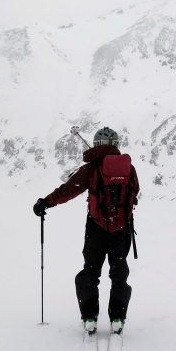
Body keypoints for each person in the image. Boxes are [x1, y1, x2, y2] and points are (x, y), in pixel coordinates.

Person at [32, 127, 139, 337]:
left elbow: (68, 190)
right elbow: (134, 192)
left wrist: (46, 203)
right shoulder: (129, 168)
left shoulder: (90, 169)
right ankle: (117, 318)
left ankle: (90, 318)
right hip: (122, 229)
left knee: (90, 272)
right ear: (116, 144)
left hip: (96, 228)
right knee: (119, 273)